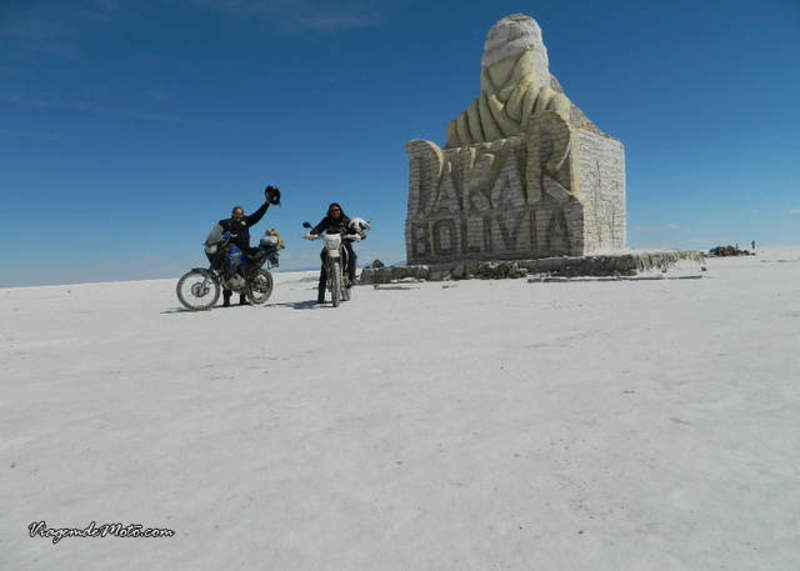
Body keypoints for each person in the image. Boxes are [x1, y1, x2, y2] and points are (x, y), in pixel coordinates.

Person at [209, 185, 280, 307]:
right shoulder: (226, 223)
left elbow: (258, 215)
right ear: (232, 214)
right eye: (236, 214)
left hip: (245, 251)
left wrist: (267, 204)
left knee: (244, 274)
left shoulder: (246, 221)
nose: (238, 216)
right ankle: (226, 300)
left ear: (242, 214)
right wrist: (210, 241)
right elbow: (216, 232)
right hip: (231, 252)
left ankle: (243, 299)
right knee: (227, 273)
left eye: (240, 214)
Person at [306, 203, 364, 304]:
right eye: (332, 210)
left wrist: (358, 234)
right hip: (330, 245)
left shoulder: (346, 220)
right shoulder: (326, 220)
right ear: (329, 212)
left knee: (352, 255)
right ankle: (320, 297)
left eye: (337, 210)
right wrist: (311, 234)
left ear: (340, 210)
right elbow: (319, 228)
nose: (335, 212)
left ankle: (352, 278)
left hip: (343, 243)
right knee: (323, 259)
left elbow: (353, 228)